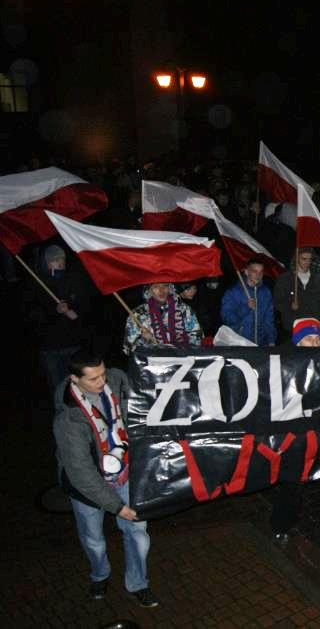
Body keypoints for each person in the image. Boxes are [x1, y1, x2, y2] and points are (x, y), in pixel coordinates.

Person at [53, 349, 158, 607]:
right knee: (93, 539)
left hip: (124, 471)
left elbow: (141, 408)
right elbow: (81, 472)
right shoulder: (69, 419)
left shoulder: (117, 379)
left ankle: (138, 583)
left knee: (137, 533)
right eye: (93, 378)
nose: (102, 381)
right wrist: (117, 507)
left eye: (103, 374)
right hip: (87, 487)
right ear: (74, 379)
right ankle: (100, 574)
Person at [268, 318, 320, 576]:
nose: (315, 343)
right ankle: (281, 526)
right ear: (297, 341)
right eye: (308, 339)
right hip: (296, 443)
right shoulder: (283, 364)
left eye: (318, 338)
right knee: (290, 491)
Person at [26, 244, 93, 397]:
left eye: (62, 259)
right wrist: (54, 311)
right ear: (46, 263)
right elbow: (32, 315)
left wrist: (75, 313)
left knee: (79, 388)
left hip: (73, 345)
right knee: (59, 389)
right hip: (50, 348)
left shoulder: (73, 280)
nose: (60, 263)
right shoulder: (38, 284)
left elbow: (86, 305)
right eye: (54, 260)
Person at [123, 282, 203, 354]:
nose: (161, 290)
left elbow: (197, 338)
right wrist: (144, 340)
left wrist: (181, 350)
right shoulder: (138, 314)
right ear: (149, 290)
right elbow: (128, 348)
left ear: (170, 288)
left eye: (165, 285)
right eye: (156, 287)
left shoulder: (185, 310)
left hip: (183, 360)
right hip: (151, 363)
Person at [273, 247, 320, 339]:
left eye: (310, 259)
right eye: (304, 259)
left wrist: (319, 321)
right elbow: (277, 301)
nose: (307, 262)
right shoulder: (285, 279)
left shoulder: (319, 279)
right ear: (296, 258)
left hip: (312, 326)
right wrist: (290, 306)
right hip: (292, 327)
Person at [220, 259, 276, 346]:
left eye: (261, 272)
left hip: (261, 343)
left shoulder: (266, 292)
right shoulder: (232, 292)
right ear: (246, 272)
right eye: (254, 271)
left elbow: (269, 319)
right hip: (240, 342)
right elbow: (227, 318)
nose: (258, 275)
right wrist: (246, 308)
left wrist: (271, 340)